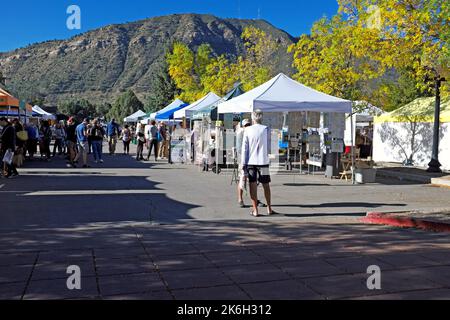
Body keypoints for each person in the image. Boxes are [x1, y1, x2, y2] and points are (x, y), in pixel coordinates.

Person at [241, 109, 274, 217]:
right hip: (263, 161)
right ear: (261, 117)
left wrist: (243, 163)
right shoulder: (266, 129)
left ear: (252, 117)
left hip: (251, 161)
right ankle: (269, 208)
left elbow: (244, 148)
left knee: (252, 184)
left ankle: (255, 210)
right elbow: (269, 146)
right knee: (266, 184)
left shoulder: (247, 130)